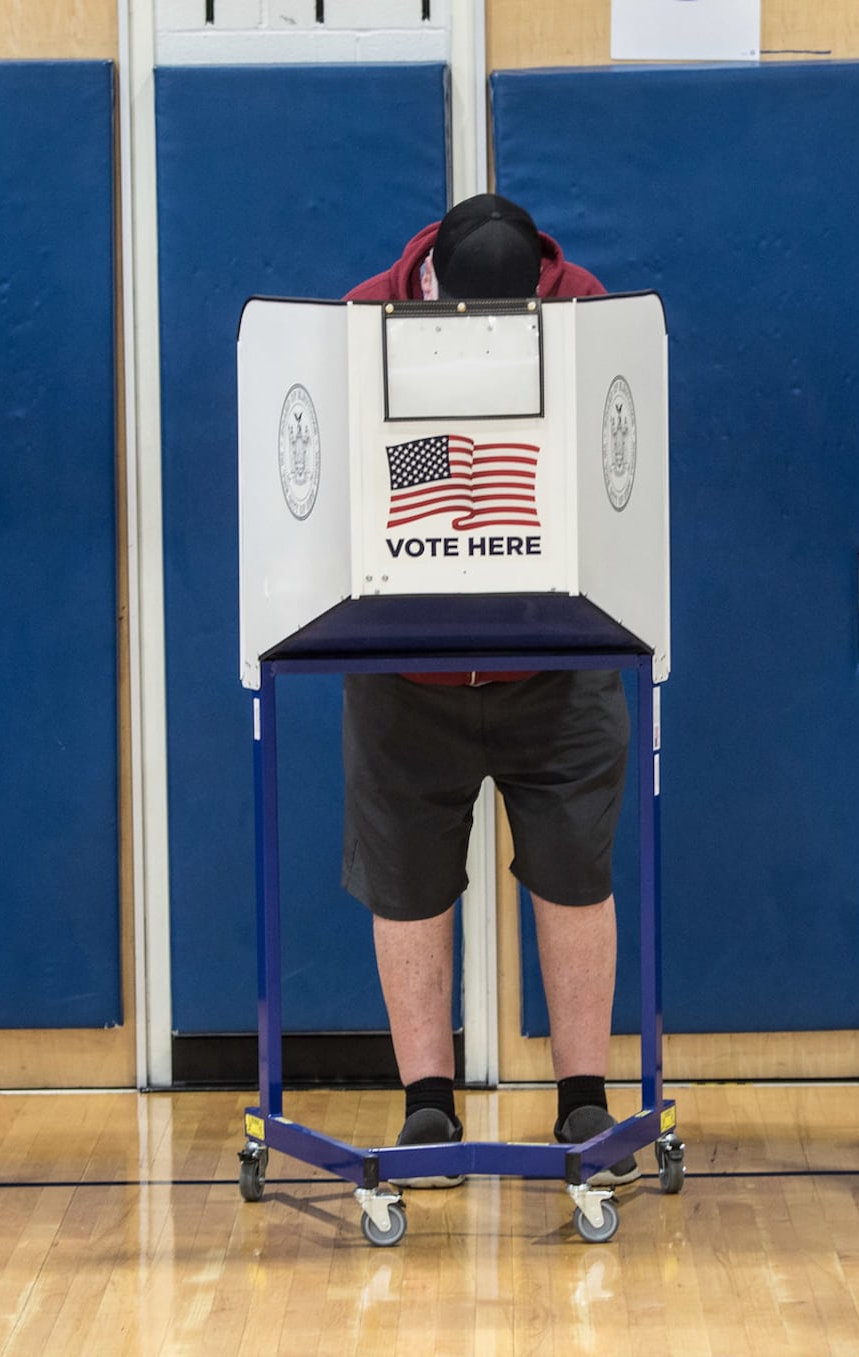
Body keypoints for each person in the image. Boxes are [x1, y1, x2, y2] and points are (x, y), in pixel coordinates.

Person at [343, 194, 638, 1186]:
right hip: (406, 666)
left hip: (553, 660)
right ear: (432, 292)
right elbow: (374, 478)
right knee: (406, 879)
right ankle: (428, 1104)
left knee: (571, 870)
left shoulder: (585, 309)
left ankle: (582, 1097)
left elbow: (607, 469)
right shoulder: (363, 319)